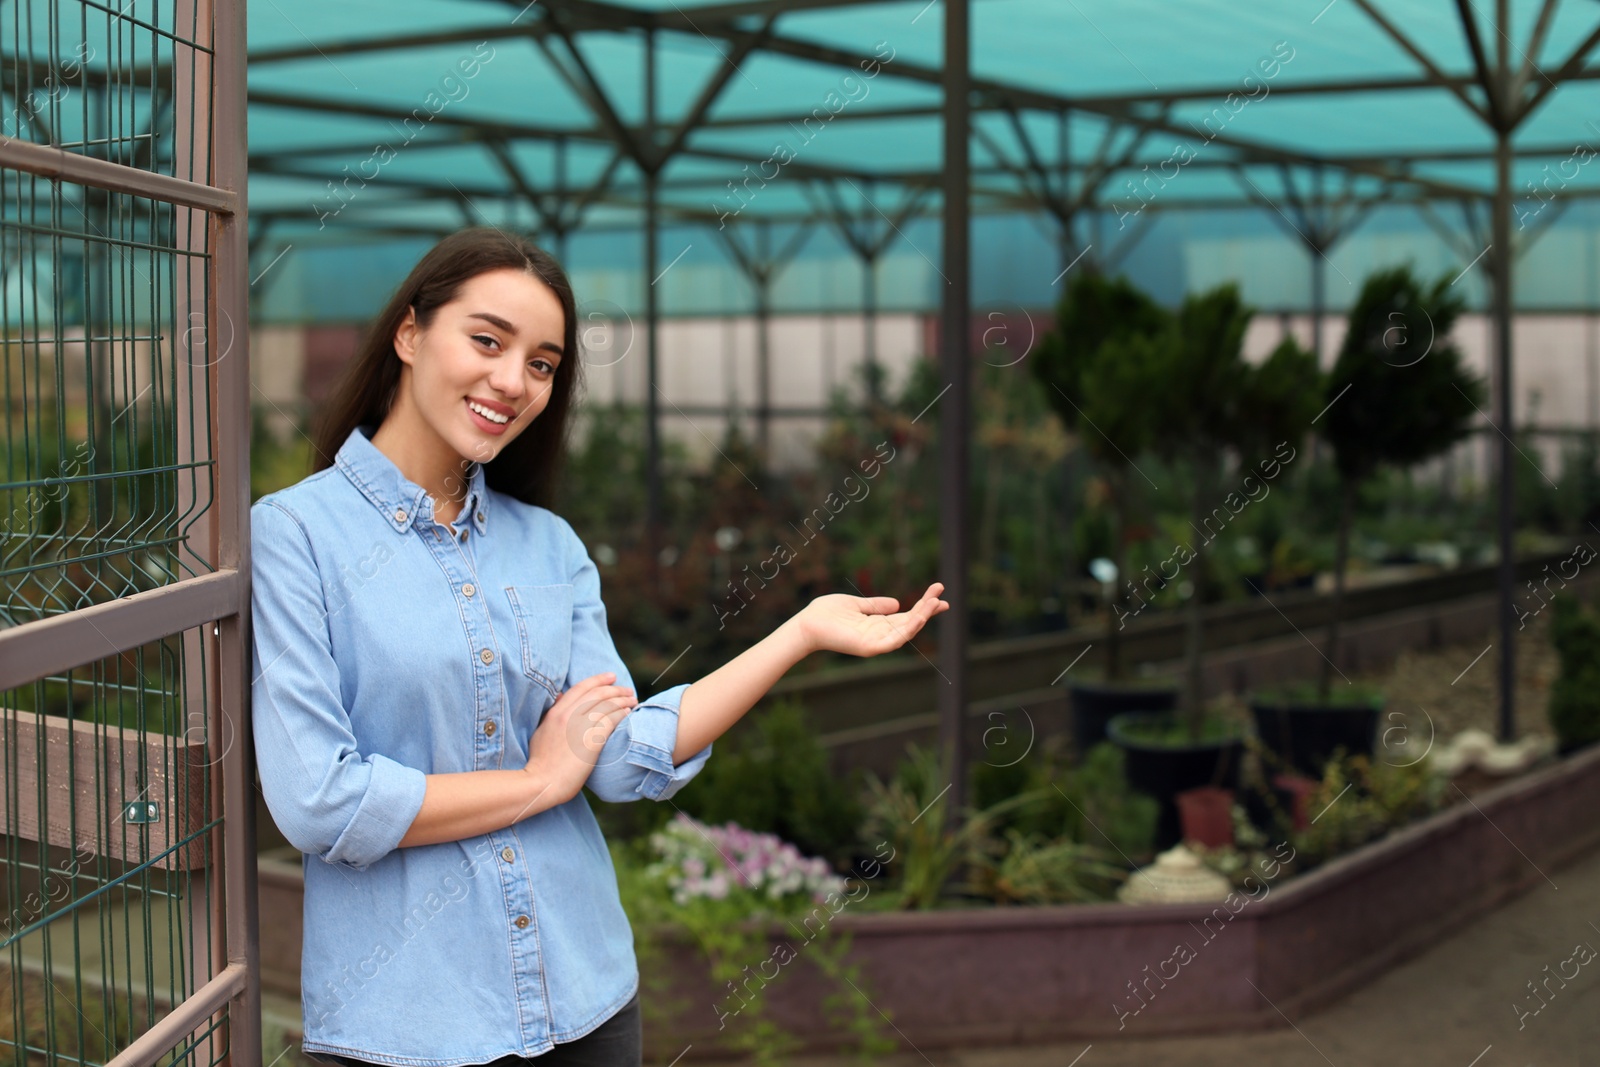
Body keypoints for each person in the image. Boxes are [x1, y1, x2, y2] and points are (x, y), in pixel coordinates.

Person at [249, 227, 948, 1067]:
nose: (512, 381)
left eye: (542, 364)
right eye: (487, 340)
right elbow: (321, 800)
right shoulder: (295, 534)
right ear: (408, 333)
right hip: (405, 1025)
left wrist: (798, 635)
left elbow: (618, 756)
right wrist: (539, 779)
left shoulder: (548, 545)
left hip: (585, 1002)